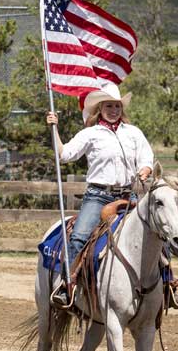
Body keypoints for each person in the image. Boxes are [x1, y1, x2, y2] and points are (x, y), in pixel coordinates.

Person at [45, 84, 164, 308]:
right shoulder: (90, 134)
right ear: (100, 108)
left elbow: (146, 158)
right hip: (98, 196)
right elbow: (64, 154)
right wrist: (54, 129)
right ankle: (66, 284)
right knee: (80, 236)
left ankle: (168, 283)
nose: (113, 109)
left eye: (117, 105)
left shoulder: (134, 133)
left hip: (128, 195)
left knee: (159, 231)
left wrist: (144, 171)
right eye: (109, 105)